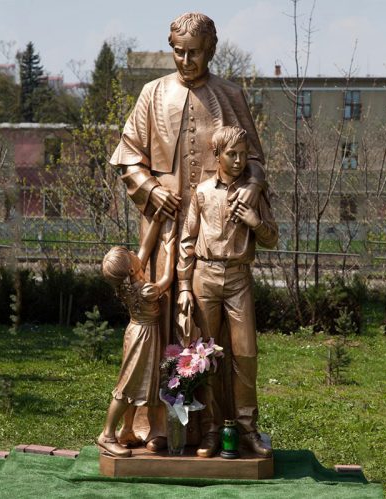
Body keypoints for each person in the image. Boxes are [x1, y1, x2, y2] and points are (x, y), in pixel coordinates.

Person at [110, 12, 267, 448]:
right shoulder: (152, 93)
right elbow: (126, 156)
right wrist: (150, 187)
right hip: (163, 228)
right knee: (158, 322)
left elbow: (254, 160)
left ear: (211, 50)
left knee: (215, 335)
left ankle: (221, 428)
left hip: (217, 230)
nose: (185, 60)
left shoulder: (229, 95)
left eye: (193, 52)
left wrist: (252, 187)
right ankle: (156, 428)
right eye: (177, 51)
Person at [177, 126, 278, 458]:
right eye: (230, 154)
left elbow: (272, 238)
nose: (237, 161)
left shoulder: (252, 194)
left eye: (242, 155)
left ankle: (247, 428)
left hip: (238, 279)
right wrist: (183, 286)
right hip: (205, 277)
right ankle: (211, 429)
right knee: (206, 358)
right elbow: (187, 242)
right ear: (216, 155)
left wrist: (254, 220)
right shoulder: (203, 192)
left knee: (246, 355)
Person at [96, 211, 176, 457]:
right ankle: (107, 435)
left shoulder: (130, 283)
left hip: (135, 333)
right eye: (131, 256)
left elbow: (144, 247)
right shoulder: (147, 290)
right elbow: (167, 278)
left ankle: (127, 429)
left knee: (135, 386)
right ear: (132, 270)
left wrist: (157, 219)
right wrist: (171, 249)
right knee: (127, 387)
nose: (135, 253)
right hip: (143, 338)